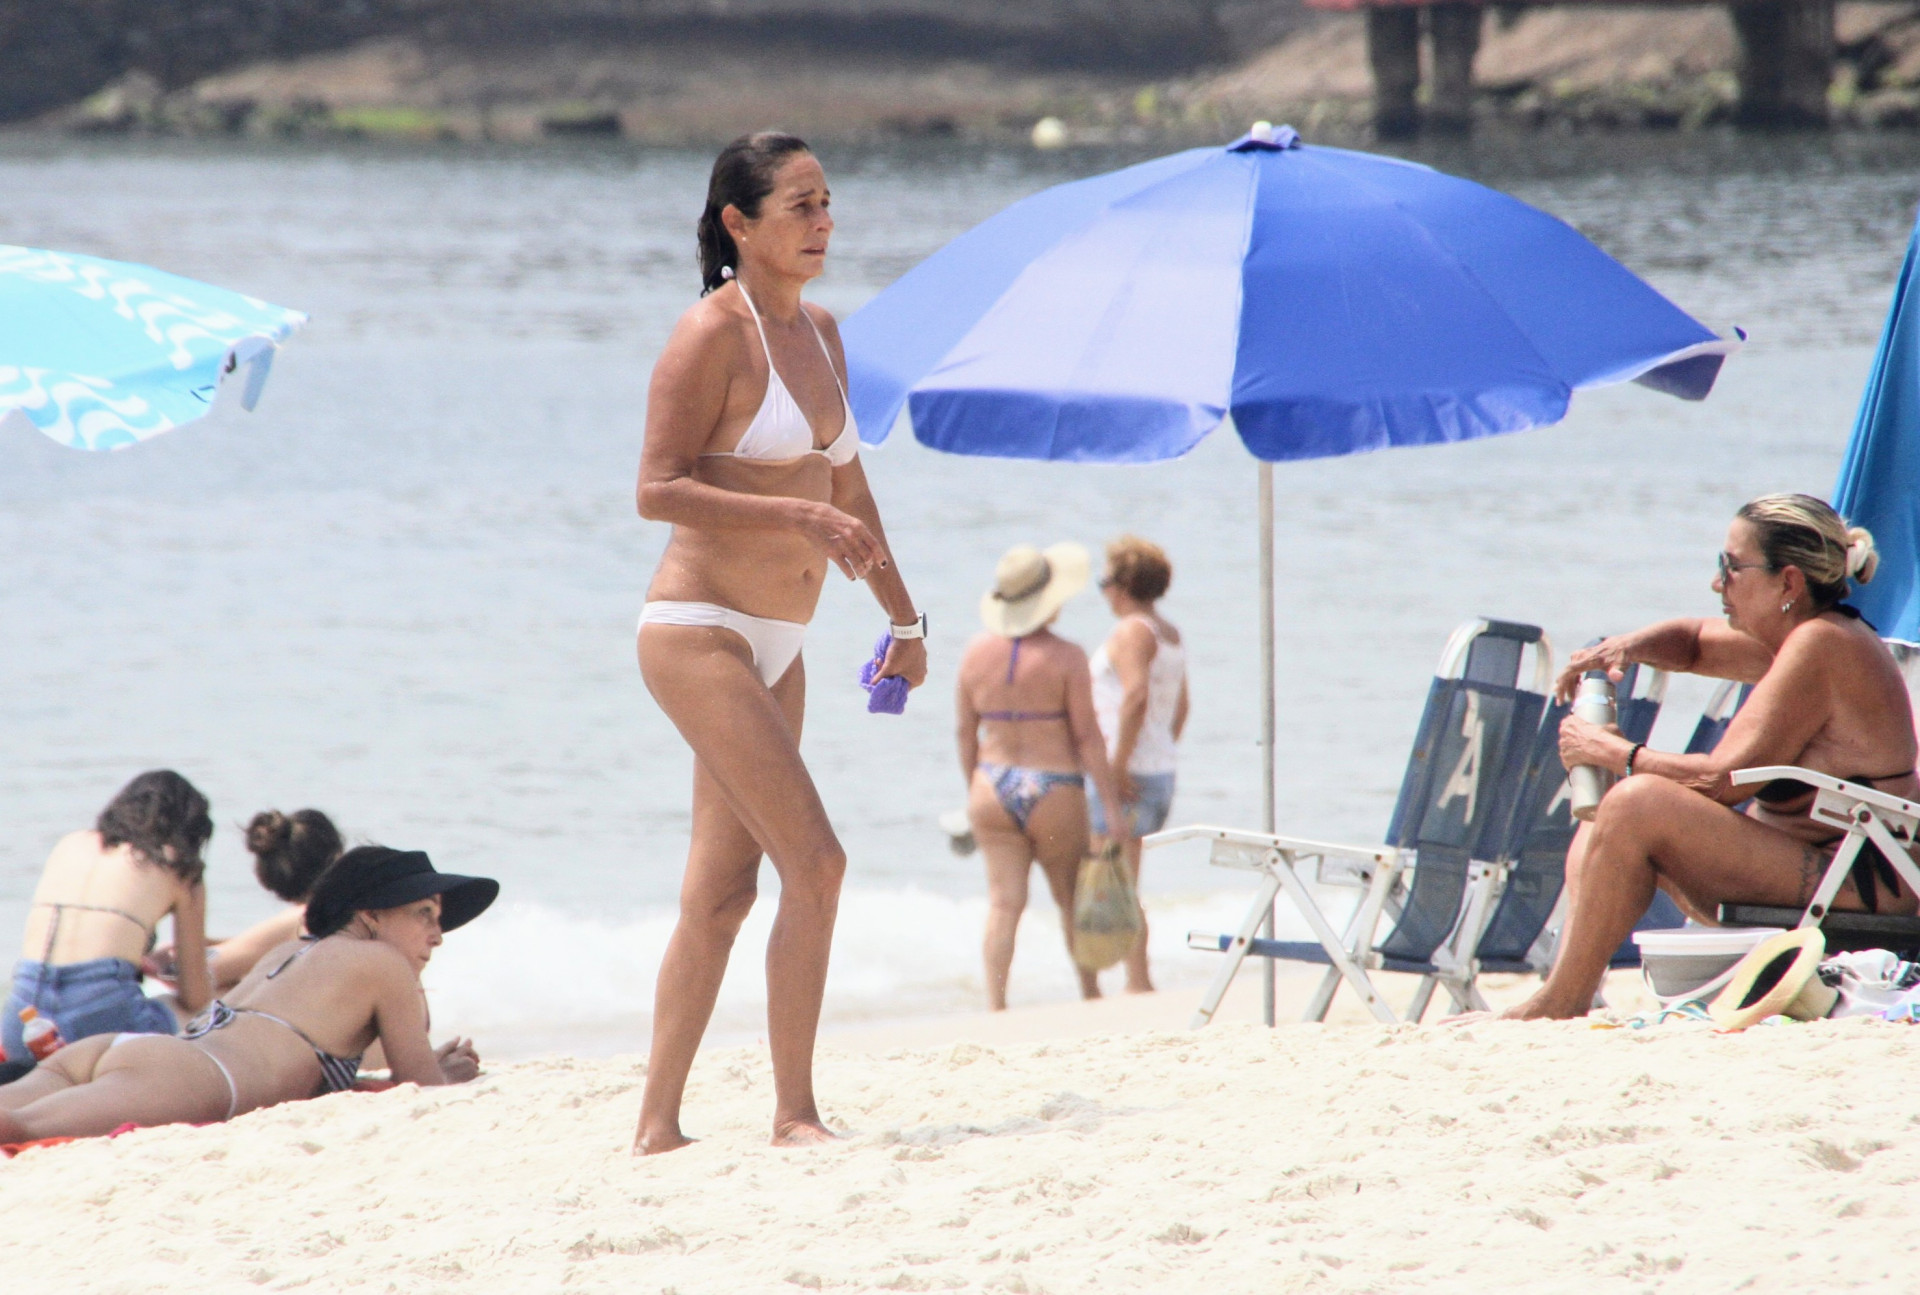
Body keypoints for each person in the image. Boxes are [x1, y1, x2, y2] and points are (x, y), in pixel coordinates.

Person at [631, 131, 927, 1154]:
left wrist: (906, 619)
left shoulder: (826, 334)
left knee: (722, 890)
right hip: (698, 629)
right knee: (820, 860)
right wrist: (794, 521)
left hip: (781, 641)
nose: (822, 222)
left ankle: (657, 1127)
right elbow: (654, 488)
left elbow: (849, 490)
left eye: (827, 201)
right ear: (738, 224)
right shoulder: (710, 333)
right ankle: (794, 1112)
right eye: (799, 205)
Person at [1506, 493, 1919, 1020]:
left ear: (1788, 582)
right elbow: (1694, 643)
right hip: (1822, 868)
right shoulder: (1802, 635)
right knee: (1601, 823)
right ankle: (1569, 992)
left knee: (1634, 804)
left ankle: (1559, 1001)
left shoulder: (1823, 646)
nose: (1717, 583)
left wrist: (1613, 751)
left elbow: (1723, 781)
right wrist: (1622, 648)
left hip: (1863, 885)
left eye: (1730, 567)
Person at [0, 845, 494, 1141]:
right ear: (372, 914)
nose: (437, 935)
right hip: (192, 1076)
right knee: (18, 1129)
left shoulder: (289, 953)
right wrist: (444, 1072)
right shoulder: (384, 964)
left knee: (12, 1111)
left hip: (126, 1048)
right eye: (424, 914)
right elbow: (420, 1090)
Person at [956, 543, 1127, 1011]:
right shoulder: (1068, 656)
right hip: (1054, 785)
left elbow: (965, 733)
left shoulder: (974, 652)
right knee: (1071, 899)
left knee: (1003, 903)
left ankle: (996, 1004)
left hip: (991, 783)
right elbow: (1088, 737)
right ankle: (1090, 995)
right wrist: (1110, 808)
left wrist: (973, 787)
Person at [4, 771, 214, 1065]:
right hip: (101, 1020)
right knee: (196, 1014)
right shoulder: (179, 868)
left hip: (23, 1017)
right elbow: (195, 996)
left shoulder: (71, 843)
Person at [1088, 535, 1189, 996]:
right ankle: (1135, 978)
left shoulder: (1132, 631)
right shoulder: (1169, 634)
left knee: (1106, 876)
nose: (1103, 591)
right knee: (1123, 875)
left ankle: (1128, 982)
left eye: (1105, 581)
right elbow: (1180, 707)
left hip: (1127, 770)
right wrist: (1157, 752)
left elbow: (1135, 697)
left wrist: (1116, 766)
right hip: (1157, 768)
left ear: (1124, 584)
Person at [147, 809, 344, 993]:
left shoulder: (303, 919)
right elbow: (262, 946)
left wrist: (158, 959)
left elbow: (188, 975)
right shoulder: (343, 917)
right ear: (339, 858)